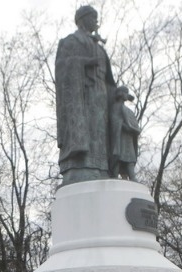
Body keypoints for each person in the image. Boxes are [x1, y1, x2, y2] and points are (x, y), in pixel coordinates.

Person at [55, 5, 116, 185]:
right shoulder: (71, 42)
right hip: (82, 97)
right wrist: (86, 63)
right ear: (82, 20)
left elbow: (109, 80)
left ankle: (103, 168)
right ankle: (82, 167)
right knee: (87, 133)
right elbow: (62, 68)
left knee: (101, 133)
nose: (96, 21)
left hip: (101, 97)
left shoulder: (99, 47)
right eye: (92, 17)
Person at [109, 85, 141, 180]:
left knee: (130, 160)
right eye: (125, 93)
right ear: (121, 94)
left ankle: (133, 178)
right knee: (118, 158)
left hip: (128, 138)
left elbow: (133, 124)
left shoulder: (127, 110)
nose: (127, 95)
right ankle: (114, 176)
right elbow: (114, 121)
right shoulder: (115, 107)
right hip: (119, 137)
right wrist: (123, 126)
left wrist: (132, 128)